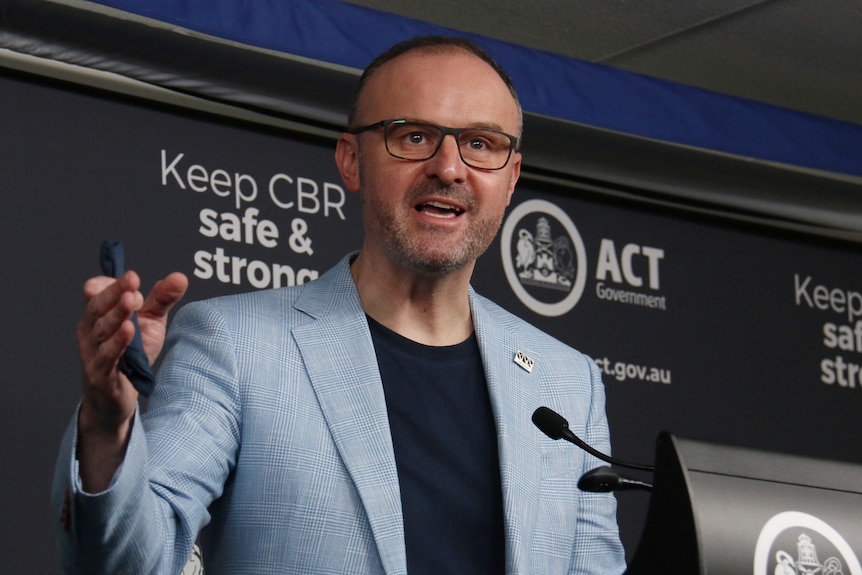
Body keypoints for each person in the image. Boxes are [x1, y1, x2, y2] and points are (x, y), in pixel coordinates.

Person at [53, 36, 626, 574]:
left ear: (511, 176)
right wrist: (109, 427)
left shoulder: (566, 382)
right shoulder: (233, 344)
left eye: (481, 144)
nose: (449, 168)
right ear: (352, 161)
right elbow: (127, 564)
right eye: (414, 136)